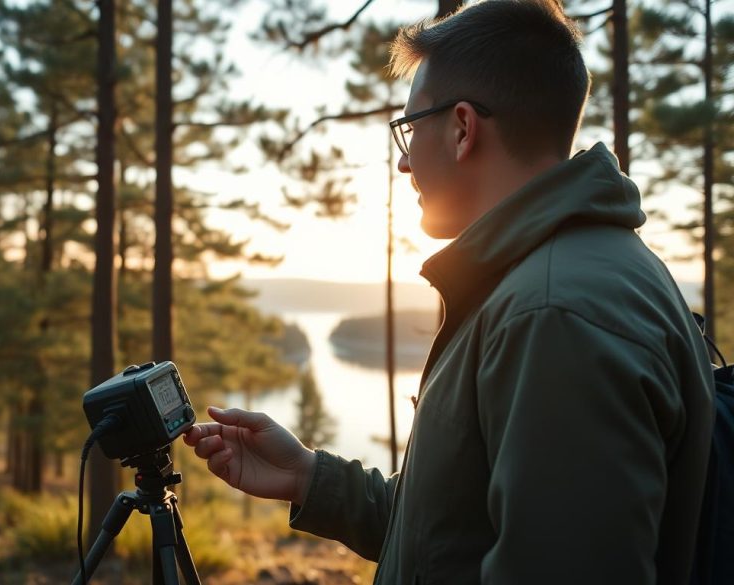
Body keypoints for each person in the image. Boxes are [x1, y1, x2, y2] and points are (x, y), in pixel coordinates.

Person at [182, 1, 716, 583]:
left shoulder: (552, 313)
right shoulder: (565, 277)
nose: (406, 163)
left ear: (462, 128)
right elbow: (453, 537)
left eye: (409, 130)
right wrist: (311, 477)